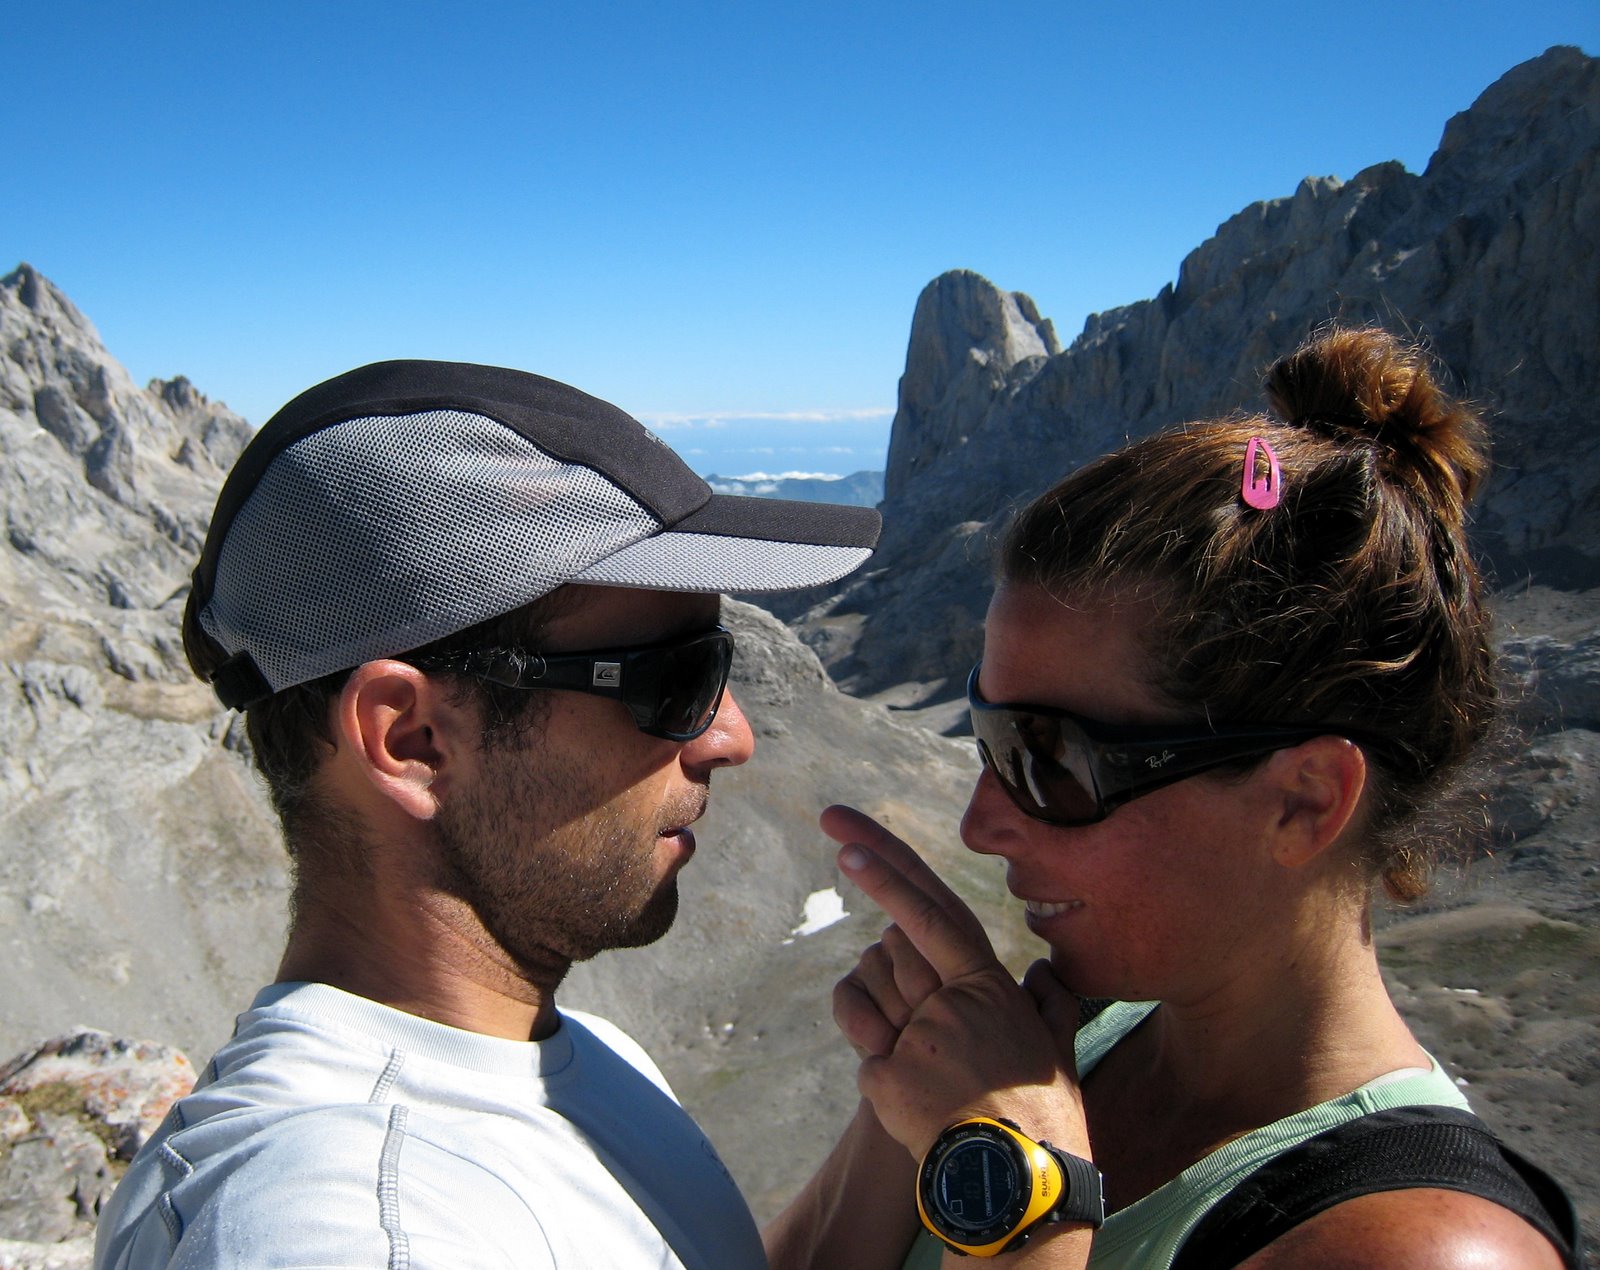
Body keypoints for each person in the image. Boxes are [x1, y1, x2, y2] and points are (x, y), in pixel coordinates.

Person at [765, 328, 1580, 1269]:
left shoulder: (1425, 1251)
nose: (980, 824)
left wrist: (1016, 1192)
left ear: (1306, 801)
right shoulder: (1043, 1046)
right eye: (986, 736)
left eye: (1048, 756)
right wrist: (915, 1093)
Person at [93, 358, 880, 1269]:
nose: (730, 736)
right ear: (411, 740)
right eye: (674, 679)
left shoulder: (564, 1056)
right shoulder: (355, 1227)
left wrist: (916, 1134)